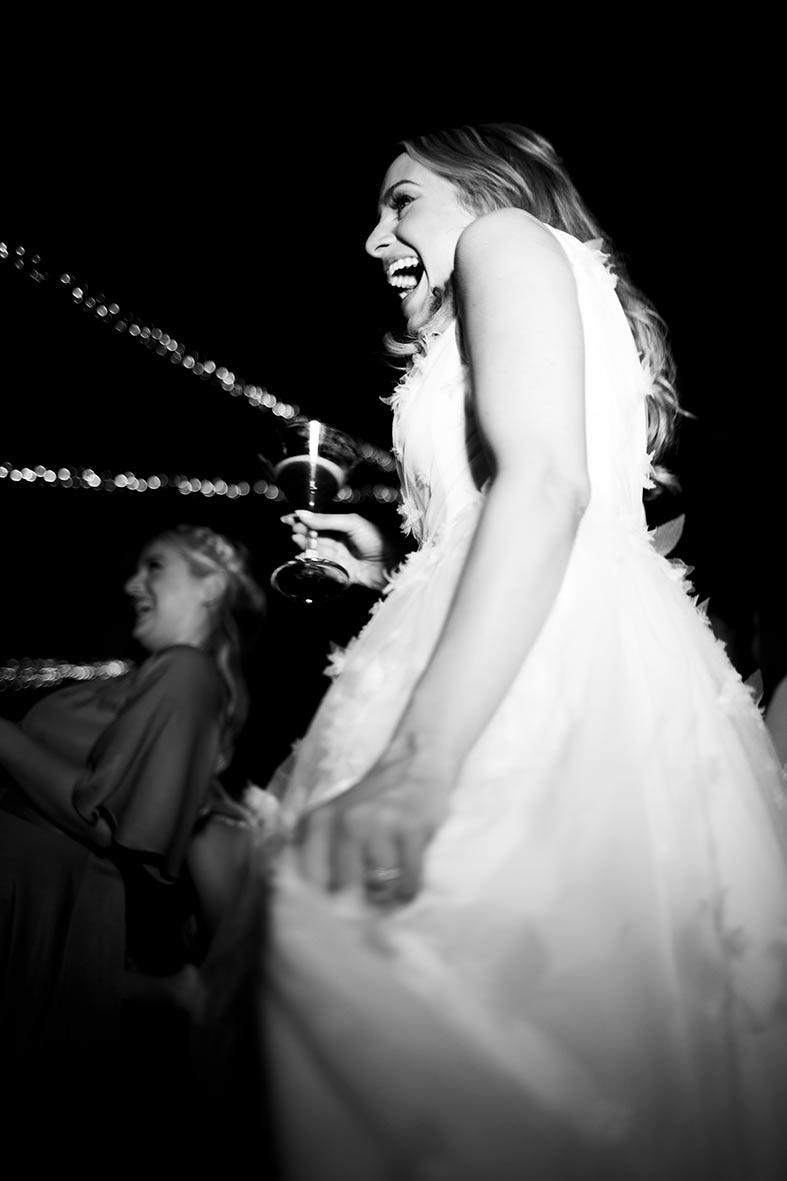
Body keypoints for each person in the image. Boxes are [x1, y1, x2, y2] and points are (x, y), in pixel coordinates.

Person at [256, 123, 787, 1180]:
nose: (374, 238)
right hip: (547, 638)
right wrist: (385, 573)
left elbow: (545, 485)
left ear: (489, 183)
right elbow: (511, 502)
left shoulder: (503, 235)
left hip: (542, 679)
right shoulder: (523, 283)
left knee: (396, 981)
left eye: (400, 199)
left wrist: (419, 763)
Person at [0, 523, 266, 1159]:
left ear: (211, 587)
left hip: (34, 902)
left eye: (154, 567)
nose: (130, 583)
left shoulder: (187, 672)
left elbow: (109, 822)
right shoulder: (163, 679)